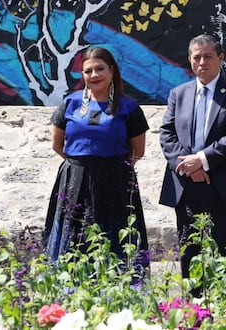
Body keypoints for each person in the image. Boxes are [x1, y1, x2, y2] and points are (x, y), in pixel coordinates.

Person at [159, 34, 226, 282]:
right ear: (190, 60)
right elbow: (167, 135)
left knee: (224, 249)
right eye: (196, 57)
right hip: (186, 184)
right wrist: (188, 166)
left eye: (208, 56)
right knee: (189, 250)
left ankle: (225, 309)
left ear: (220, 59)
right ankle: (194, 311)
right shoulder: (178, 94)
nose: (202, 62)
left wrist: (201, 160)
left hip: (221, 183)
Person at [44, 46, 150, 272]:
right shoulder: (70, 103)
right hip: (75, 181)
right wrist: (83, 165)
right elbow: (57, 145)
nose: (94, 75)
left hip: (116, 181)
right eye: (88, 71)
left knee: (117, 236)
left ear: (111, 71)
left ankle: (121, 287)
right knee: (74, 237)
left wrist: (109, 167)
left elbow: (137, 151)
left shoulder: (129, 107)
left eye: (100, 69)